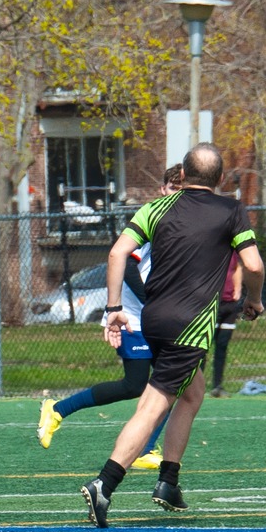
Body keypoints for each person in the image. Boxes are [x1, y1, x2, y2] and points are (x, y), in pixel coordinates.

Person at [78, 144, 264, 524]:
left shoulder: (157, 207)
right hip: (191, 324)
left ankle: (169, 481)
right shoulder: (230, 210)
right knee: (154, 405)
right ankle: (105, 484)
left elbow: (117, 255)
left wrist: (113, 309)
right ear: (220, 178)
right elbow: (254, 265)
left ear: (184, 174)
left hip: (154, 318)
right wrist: (254, 300)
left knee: (192, 392)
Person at [36, 165, 178, 466]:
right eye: (173, 187)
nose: (177, 194)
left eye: (184, 188)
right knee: (135, 386)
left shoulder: (183, 221)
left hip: (159, 319)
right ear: (162, 189)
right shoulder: (152, 217)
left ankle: (145, 449)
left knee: (173, 382)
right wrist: (152, 302)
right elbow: (126, 264)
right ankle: (57, 409)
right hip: (134, 318)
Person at [206, 250, 245, 397]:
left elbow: (237, 268)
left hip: (229, 305)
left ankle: (217, 386)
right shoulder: (209, 247)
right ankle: (194, 387)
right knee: (202, 347)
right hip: (211, 303)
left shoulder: (233, 249)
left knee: (222, 346)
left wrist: (238, 290)